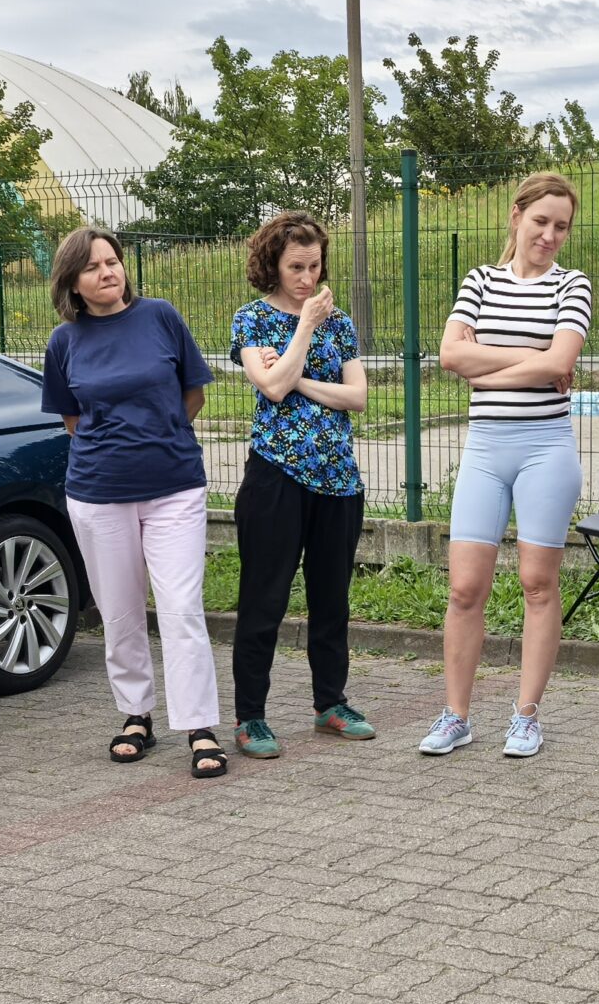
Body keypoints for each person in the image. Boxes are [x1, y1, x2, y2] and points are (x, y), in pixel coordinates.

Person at [40, 231, 226, 778]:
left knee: (181, 609)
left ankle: (198, 726)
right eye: (93, 266)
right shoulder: (64, 341)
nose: (107, 272)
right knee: (120, 611)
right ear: (72, 281)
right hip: (98, 494)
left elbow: (194, 392)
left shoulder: (161, 316)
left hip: (174, 488)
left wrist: (160, 436)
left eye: (113, 261)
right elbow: (71, 419)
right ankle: (135, 715)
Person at [420, 173, 592, 760]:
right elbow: (449, 355)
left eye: (561, 226)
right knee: (466, 588)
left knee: (538, 585)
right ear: (516, 216)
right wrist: (533, 358)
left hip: (546, 447)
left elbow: (561, 362)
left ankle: (525, 716)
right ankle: (456, 716)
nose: (549, 235)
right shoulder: (479, 281)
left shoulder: (574, 285)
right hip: (486, 448)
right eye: (540, 221)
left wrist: (488, 365)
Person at [227, 211, 372, 759]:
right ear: (272, 264)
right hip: (276, 477)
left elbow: (356, 397)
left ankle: (329, 703)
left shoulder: (342, 324)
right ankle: (251, 717)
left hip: (337, 479)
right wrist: (305, 327)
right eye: (295, 267)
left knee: (331, 598)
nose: (307, 278)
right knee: (264, 598)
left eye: (314, 266)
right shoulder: (253, 320)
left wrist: (299, 377)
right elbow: (271, 388)